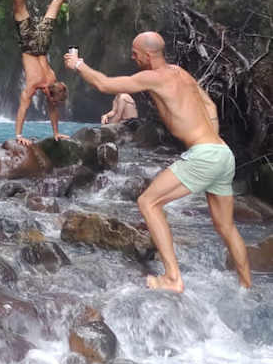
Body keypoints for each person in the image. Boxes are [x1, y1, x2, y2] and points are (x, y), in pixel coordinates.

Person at [65, 31, 251, 292]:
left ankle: (173, 278)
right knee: (226, 226)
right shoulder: (181, 73)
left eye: (135, 53)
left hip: (205, 156)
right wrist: (211, 137)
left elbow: (105, 84)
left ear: (149, 55)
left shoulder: (153, 77)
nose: (132, 56)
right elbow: (209, 106)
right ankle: (246, 286)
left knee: (148, 202)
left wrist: (79, 65)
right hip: (222, 153)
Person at [0, 0, 78, 146]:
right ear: (50, 94)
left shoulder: (53, 81)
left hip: (42, 44)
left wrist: (56, 133)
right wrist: (19, 136)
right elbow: (24, 109)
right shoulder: (35, 84)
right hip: (29, 45)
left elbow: (52, 110)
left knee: (56, 3)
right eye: (54, 100)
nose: (54, 104)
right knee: (19, 7)